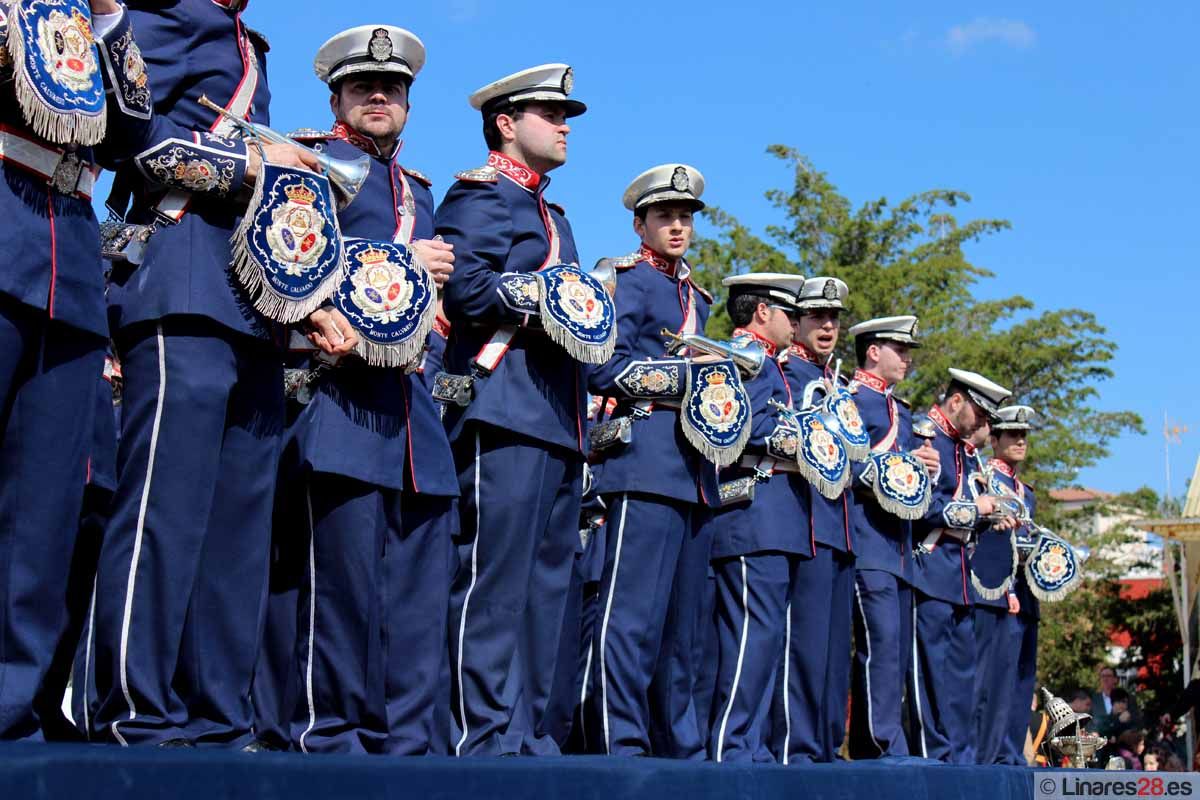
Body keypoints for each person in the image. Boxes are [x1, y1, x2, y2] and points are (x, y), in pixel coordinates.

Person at [84, 0, 343, 748]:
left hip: (250, 307)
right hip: (179, 284)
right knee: (165, 509)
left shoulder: (246, 43)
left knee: (237, 531)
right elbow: (126, 130)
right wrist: (257, 165)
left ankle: (217, 717)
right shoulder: (166, 17)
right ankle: (135, 707)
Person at [253, 24, 458, 754]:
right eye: (365, 86)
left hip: (413, 418)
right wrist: (400, 259)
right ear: (337, 95)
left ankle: (402, 751)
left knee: (416, 599)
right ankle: (328, 742)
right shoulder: (310, 162)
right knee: (334, 594)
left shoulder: (422, 191)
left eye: (394, 88)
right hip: (336, 399)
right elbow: (284, 257)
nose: (381, 96)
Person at [0, 0, 165, 739]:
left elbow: (132, 130)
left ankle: (12, 709)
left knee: (42, 512)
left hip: (68, 259)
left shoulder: (93, 18)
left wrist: (106, 19)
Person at [434, 63, 588, 757]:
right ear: (506, 122)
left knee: (545, 591)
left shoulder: (555, 217)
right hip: (502, 407)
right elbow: (465, 291)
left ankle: (524, 733)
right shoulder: (481, 196)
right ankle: (479, 731)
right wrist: (544, 298)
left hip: (558, 416)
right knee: (491, 582)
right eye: (551, 114)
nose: (563, 126)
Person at [584, 164, 719, 757]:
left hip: (695, 471)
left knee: (683, 630)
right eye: (664, 216)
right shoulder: (627, 281)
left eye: (685, 217)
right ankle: (622, 742)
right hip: (641, 460)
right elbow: (600, 366)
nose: (677, 226)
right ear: (639, 223)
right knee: (631, 616)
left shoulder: (700, 299)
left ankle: (679, 749)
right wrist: (685, 377)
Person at [703, 273, 808, 763]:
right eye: (791, 313)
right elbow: (737, 422)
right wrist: (806, 439)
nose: (799, 324)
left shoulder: (777, 366)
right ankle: (732, 744)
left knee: (768, 640)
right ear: (763, 311)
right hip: (753, 512)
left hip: (781, 516)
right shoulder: (742, 358)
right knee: (749, 636)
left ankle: (753, 747)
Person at [843, 316, 940, 760]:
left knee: (896, 653)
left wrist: (923, 468)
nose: (907, 358)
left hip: (899, 549)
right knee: (879, 645)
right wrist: (904, 464)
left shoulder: (900, 410)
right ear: (872, 351)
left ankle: (876, 741)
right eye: (898, 348)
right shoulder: (853, 398)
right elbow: (849, 462)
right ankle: (882, 742)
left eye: (909, 350)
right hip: (868, 542)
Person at [907, 369, 1012, 763]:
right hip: (931, 569)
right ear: (956, 402)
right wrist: (975, 509)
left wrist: (991, 516)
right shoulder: (924, 436)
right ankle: (934, 760)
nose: (984, 426)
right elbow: (919, 503)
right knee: (930, 678)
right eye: (981, 416)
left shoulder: (962, 451)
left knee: (962, 679)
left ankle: (960, 761)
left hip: (960, 577)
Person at [772, 276, 855, 763]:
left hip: (840, 527)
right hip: (805, 523)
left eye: (834, 319)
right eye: (817, 318)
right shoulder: (787, 374)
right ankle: (796, 747)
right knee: (802, 646)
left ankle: (824, 746)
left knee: (830, 655)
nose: (827, 327)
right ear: (797, 322)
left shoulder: (840, 385)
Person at [972, 404, 1041, 765]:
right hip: (995, 593)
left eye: (1024, 435)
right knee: (990, 682)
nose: (1020, 441)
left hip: (1026, 595)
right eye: (1012, 434)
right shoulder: (985, 478)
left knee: (1020, 680)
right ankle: (986, 758)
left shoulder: (1025, 491)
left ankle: (1012, 756)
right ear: (994, 438)